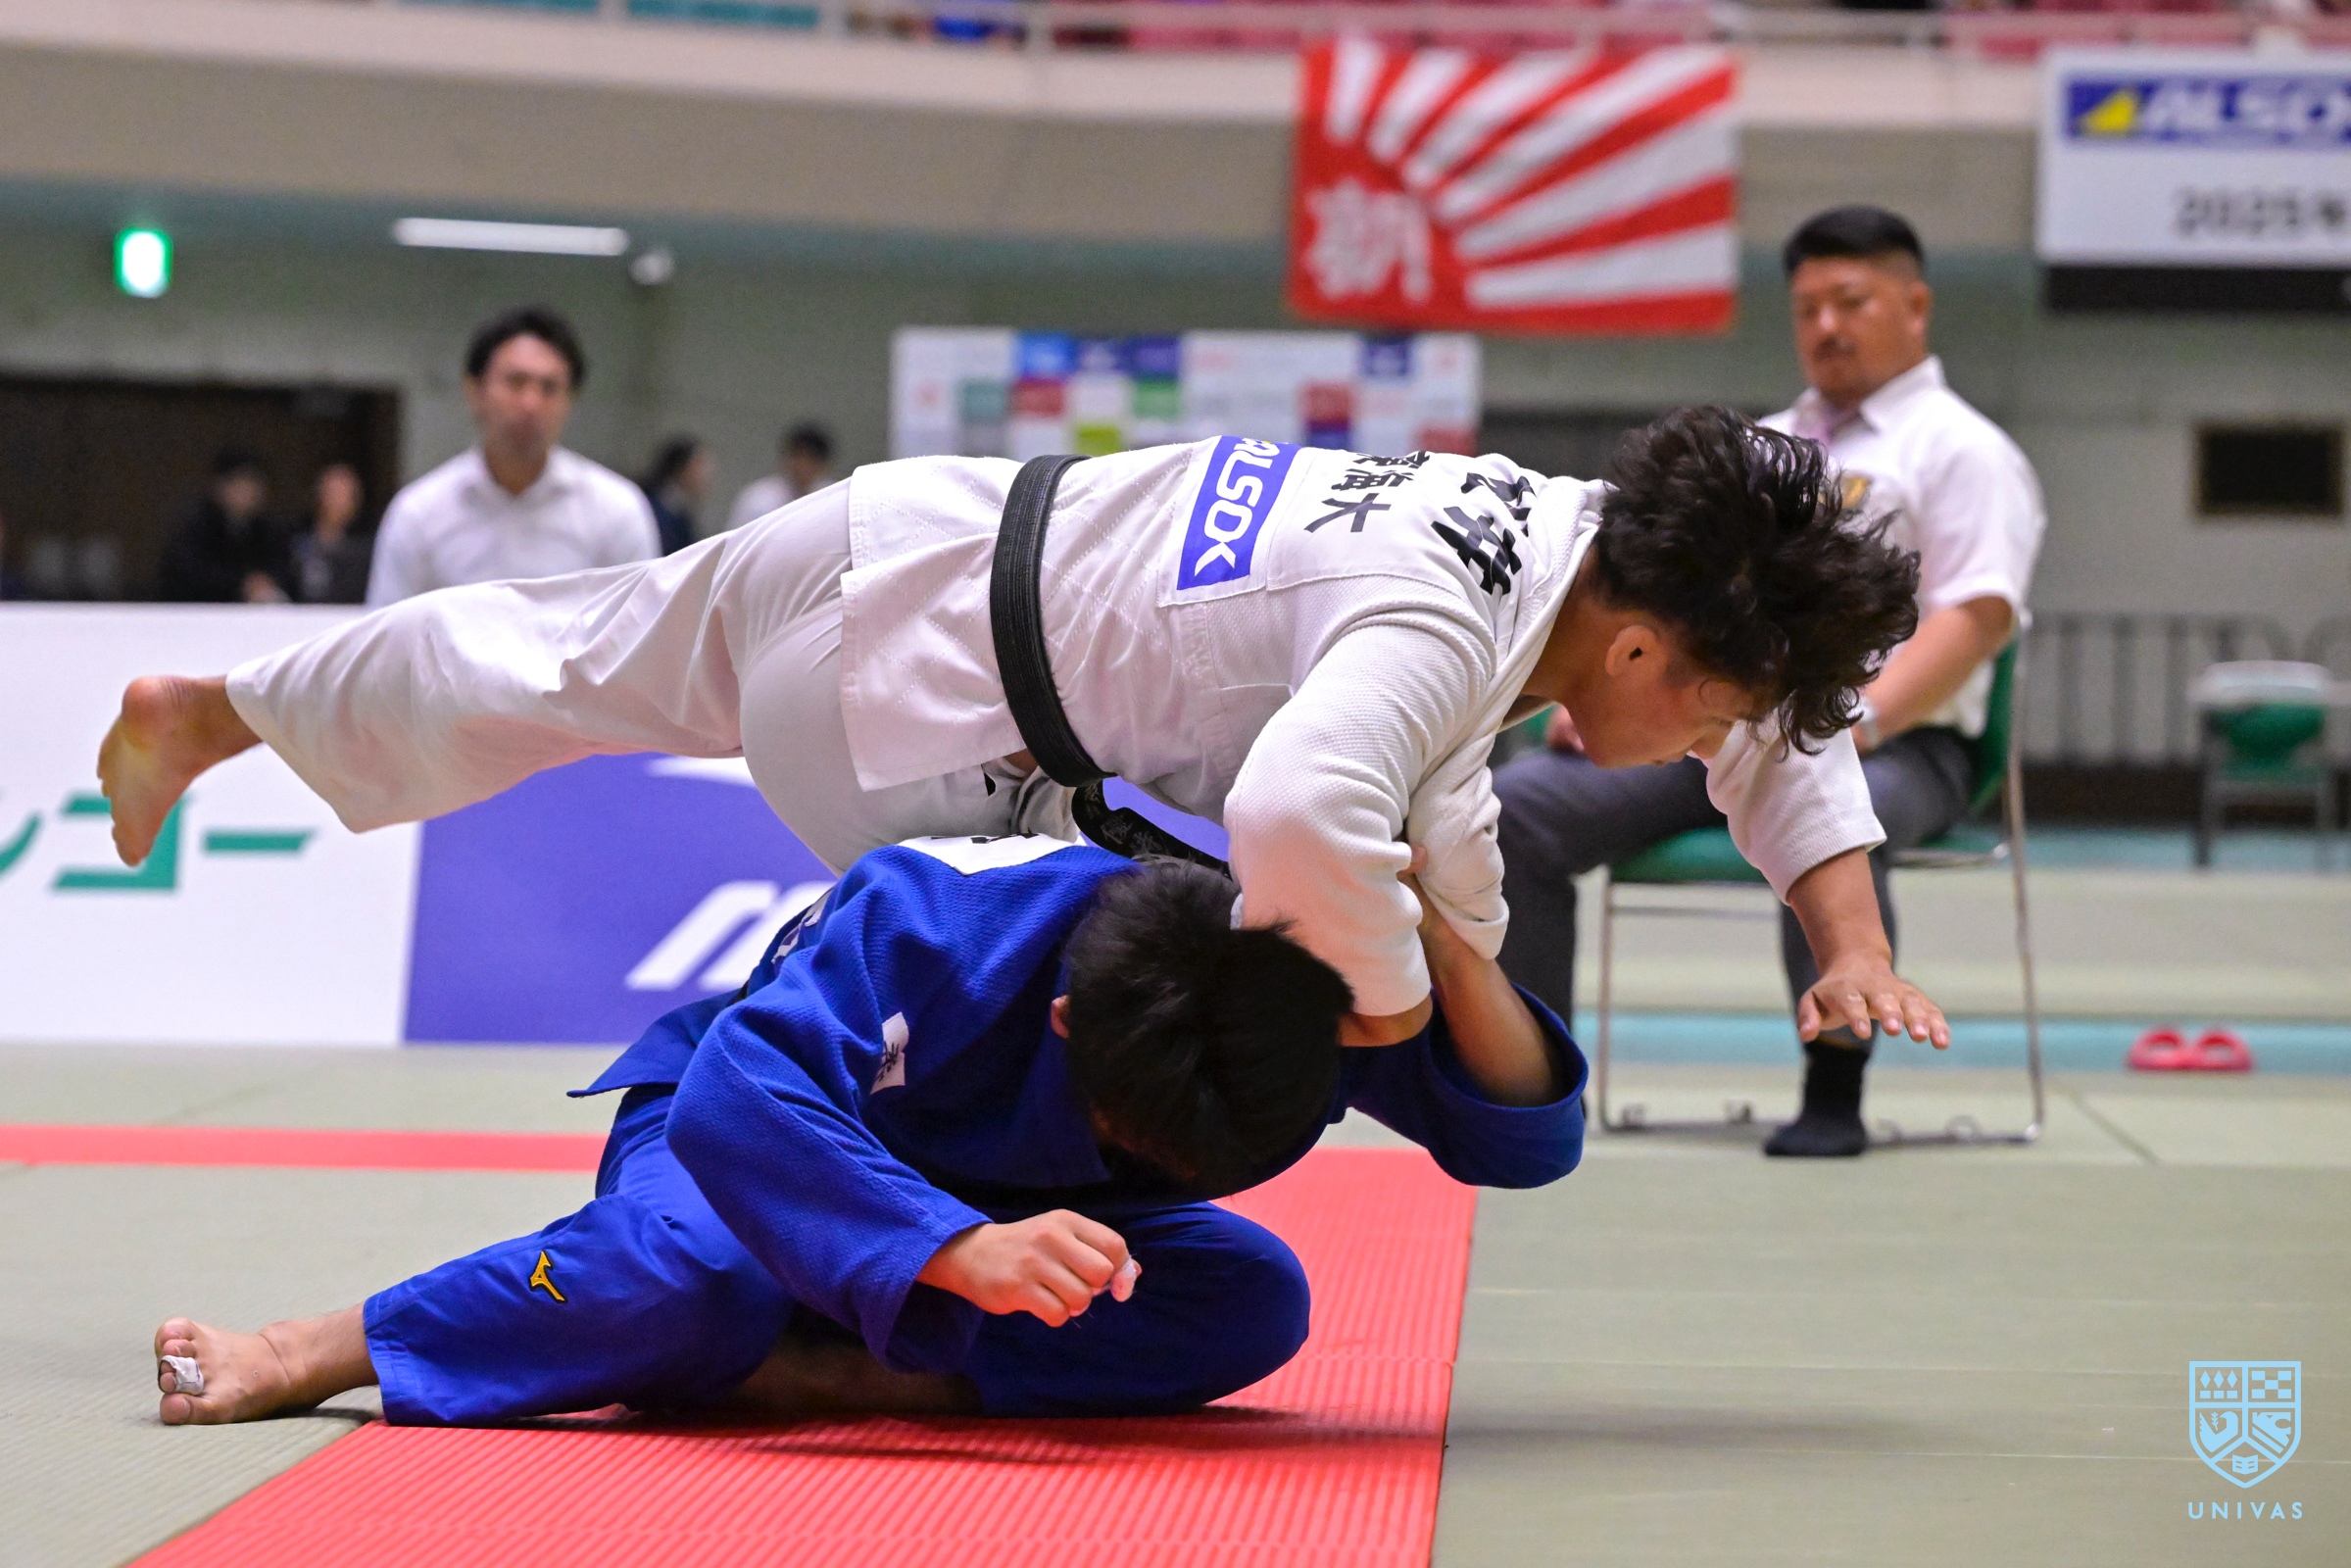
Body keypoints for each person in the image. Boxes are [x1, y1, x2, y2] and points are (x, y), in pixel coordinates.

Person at [98, 406, 1950, 1065]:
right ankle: (835, 1271)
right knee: (1081, 1013)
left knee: (558, 656)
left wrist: (1847, 936)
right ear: (1638, 641)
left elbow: (1761, 701)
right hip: (920, 727)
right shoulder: (1443, 623)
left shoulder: (1574, 527)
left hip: (901, 530)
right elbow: (1305, 817)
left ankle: (225, 709)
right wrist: (1397, 997)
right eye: (1697, 713)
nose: (1690, 749)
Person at [149, 840, 1580, 1427]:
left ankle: (822, 1366)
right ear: (1065, 1026)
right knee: (693, 1276)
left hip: (989, 1210)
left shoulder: (1277, 986)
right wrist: (949, 1248)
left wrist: (1444, 941)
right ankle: (318, 1345)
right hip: (755, 1141)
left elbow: (1523, 1144)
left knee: (1250, 1298)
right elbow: (740, 1097)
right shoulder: (935, 919)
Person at [1494, 208, 2044, 1159]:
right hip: (1717, 725)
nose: (1826, 326)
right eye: (1806, 308)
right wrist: (1597, 695)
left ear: (1913, 306)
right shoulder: (1762, 448)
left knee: (1848, 811)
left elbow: (1978, 615)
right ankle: (1534, 1080)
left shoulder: (1962, 450)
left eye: (1850, 302)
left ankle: (1833, 1091)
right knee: (1520, 808)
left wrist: (1856, 722)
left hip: (1906, 746)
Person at [366, 307, 660, 607]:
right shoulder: (418, 514)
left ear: (570, 400)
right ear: (475, 390)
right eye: (515, 382)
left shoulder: (616, 511)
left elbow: (641, 625)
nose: (531, 404)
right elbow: (386, 628)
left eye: (549, 388)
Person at [155, 449, 290, 604]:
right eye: (238, 483)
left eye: (252, 483)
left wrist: (263, 582)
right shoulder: (194, 527)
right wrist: (241, 584)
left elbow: (284, 569)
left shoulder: (268, 530)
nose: (246, 491)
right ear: (219, 486)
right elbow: (187, 574)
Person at [724, 421, 836, 533]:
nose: (803, 465)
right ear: (786, 458)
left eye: (811, 459)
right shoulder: (758, 500)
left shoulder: (833, 499)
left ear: (824, 465)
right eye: (798, 456)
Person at [288, 464, 373, 606]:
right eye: (333, 493)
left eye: (345, 495)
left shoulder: (366, 549)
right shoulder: (294, 540)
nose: (338, 502)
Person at [638, 436, 711, 556]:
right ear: (682, 467)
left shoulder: (681, 514)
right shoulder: (652, 508)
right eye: (699, 465)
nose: (706, 475)